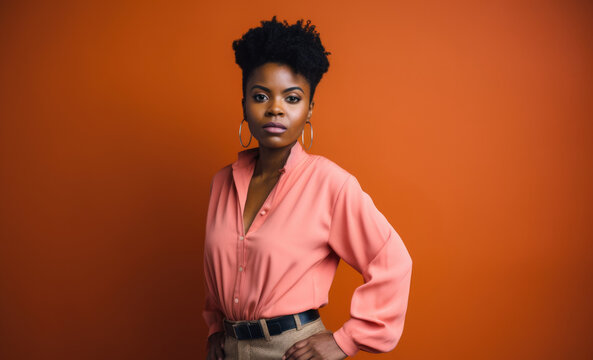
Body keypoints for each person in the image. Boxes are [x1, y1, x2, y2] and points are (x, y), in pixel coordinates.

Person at [203, 17, 412, 360]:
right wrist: (216, 330)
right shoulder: (221, 183)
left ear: (309, 109)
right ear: (244, 104)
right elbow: (217, 271)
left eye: (292, 98)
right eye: (260, 96)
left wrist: (347, 339)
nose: (275, 108)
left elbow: (392, 261)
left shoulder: (330, 184)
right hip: (229, 350)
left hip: (292, 351)